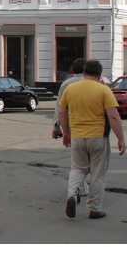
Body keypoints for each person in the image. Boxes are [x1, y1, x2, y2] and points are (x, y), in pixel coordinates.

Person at [58, 59, 125, 219]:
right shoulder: (103, 90)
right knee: (98, 174)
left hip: (77, 137)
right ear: (100, 74)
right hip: (98, 138)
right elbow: (114, 116)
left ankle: (72, 195)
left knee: (78, 169)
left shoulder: (71, 88)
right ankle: (94, 208)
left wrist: (66, 133)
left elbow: (62, 112)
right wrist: (121, 139)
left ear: (84, 72)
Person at [53, 58, 89, 198]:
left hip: (72, 125)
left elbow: (59, 107)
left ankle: (80, 188)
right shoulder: (95, 83)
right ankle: (87, 191)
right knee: (94, 158)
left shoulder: (66, 84)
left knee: (78, 160)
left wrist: (57, 126)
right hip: (94, 127)